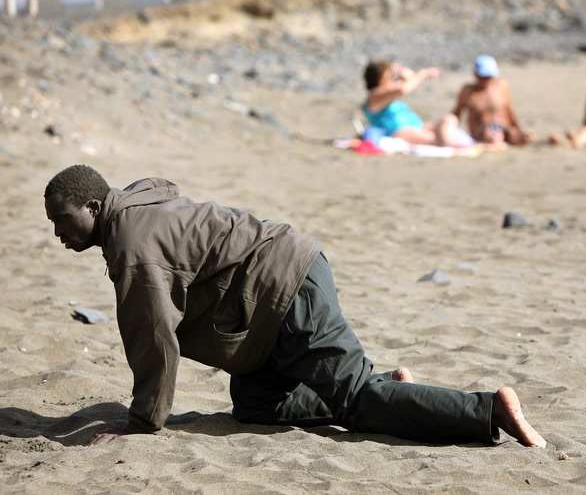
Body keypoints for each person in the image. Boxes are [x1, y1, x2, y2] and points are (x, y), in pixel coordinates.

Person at [43, 164, 546, 448]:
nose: (59, 235)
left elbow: (154, 341)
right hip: (263, 308)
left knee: (355, 404)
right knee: (258, 405)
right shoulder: (132, 205)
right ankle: (389, 387)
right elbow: (167, 193)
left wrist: (142, 424)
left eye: (63, 221)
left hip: (284, 290)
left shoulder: (132, 245)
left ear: (93, 207)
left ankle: (488, 410)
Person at [362, 60, 477, 148]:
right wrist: (423, 74)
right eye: (390, 77)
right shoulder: (375, 96)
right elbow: (403, 89)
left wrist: (401, 71)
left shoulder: (389, 95)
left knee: (449, 119)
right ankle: (454, 144)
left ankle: (453, 142)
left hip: (418, 126)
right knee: (435, 139)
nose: (393, 80)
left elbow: (408, 80)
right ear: (380, 79)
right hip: (400, 132)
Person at [452, 55, 533, 146]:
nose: (486, 80)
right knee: (489, 135)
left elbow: (509, 110)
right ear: (476, 74)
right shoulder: (468, 91)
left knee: (525, 137)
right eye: (483, 77)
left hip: (503, 128)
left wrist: (518, 130)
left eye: (489, 77)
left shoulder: (501, 86)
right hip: (481, 132)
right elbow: (456, 114)